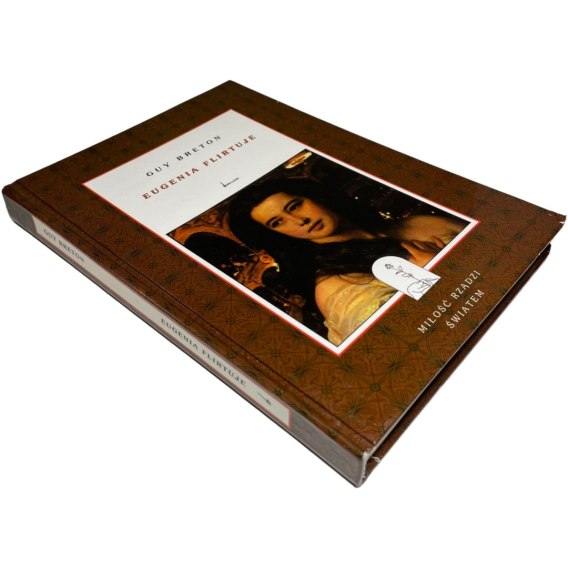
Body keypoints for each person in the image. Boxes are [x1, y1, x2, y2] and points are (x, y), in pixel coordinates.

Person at [228, 178, 467, 345]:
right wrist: (436, 273)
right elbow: (408, 341)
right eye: (278, 222)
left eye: (295, 205)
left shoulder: (419, 224)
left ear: (314, 197)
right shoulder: (335, 287)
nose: (299, 220)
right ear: (277, 234)